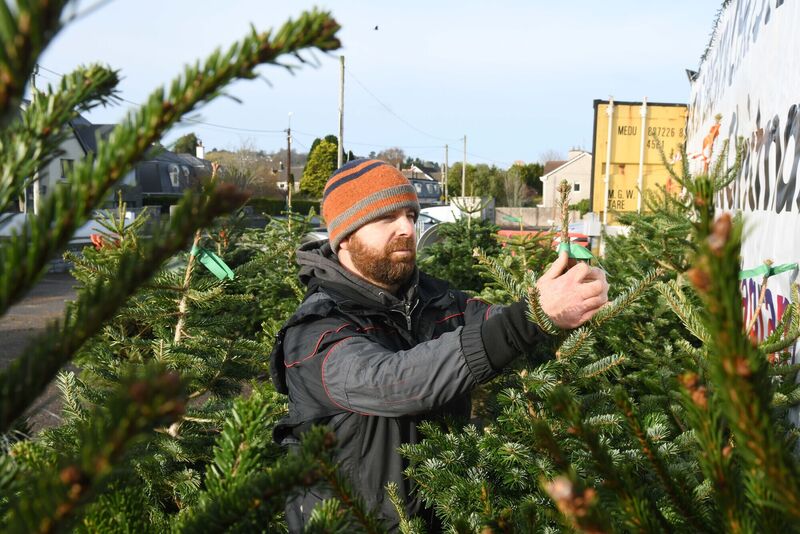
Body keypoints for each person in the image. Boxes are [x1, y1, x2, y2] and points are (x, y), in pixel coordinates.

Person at [270, 159, 609, 532]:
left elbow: (495, 323)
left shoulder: (438, 299)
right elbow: (392, 382)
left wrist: (566, 303)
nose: (407, 228)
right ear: (346, 235)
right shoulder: (314, 332)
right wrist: (531, 315)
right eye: (387, 218)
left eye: (410, 216)